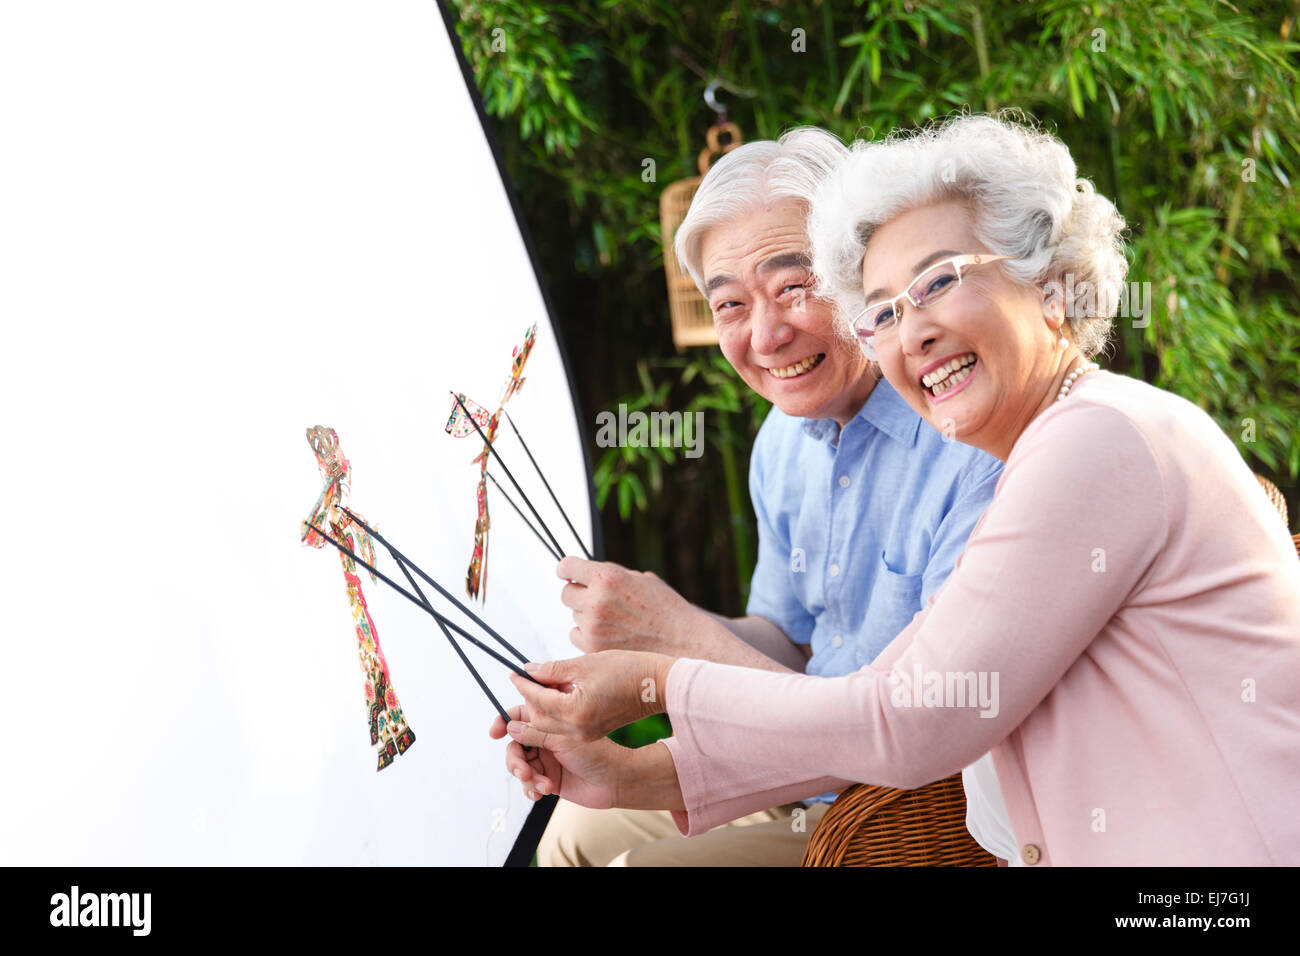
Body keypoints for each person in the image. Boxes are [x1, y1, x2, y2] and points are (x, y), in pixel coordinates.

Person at [500, 113, 1300, 866]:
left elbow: (904, 724)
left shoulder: (1094, 439)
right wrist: (627, 777)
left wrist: (656, 673)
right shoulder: (1041, 449)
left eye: (940, 281)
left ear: (1050, 285)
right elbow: (876, 700)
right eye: (880, 310)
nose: (909, 330)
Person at [525, 128, 1003, 866]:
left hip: (906, 818)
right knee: (567, 832)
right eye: (730, 305)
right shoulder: (782, 440)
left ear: (864, 275)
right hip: (788, 775)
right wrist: (645, 631)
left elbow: (908, 726)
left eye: (794, 286)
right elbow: (790, 640)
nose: (767, 334)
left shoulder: (970, 431)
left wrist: (676, 640)